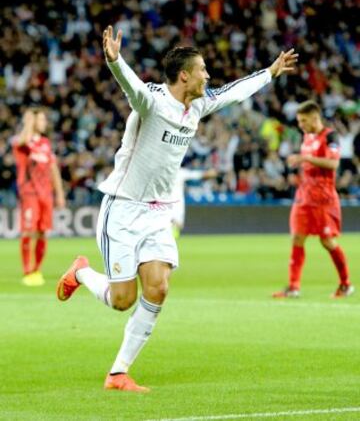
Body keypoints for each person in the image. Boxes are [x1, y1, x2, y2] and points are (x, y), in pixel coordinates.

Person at [56, 25, 298, 392]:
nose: (208, 76)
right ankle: (82, 273)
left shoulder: (198, 104)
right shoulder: (152, 101)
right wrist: (114, 60)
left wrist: (269, 72)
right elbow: (132, 87)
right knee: (123, 300)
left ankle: (118, 373)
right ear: (184, 75)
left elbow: (232, 93)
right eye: (202, 70)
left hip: (157, 213)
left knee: (158, 287)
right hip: (122, 209)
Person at [273, 100, 354, 299]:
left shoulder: (330, 136)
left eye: (303, 120)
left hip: (324, 199)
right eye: (299, 121)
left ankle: (345, 284)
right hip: (304, 197)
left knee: (327, 241)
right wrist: (298, 176)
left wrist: (305, 159)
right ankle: (293, 287)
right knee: (297, 238)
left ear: (315, 118)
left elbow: (333, 164)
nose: (300, 125)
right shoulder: (307, 137)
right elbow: (310, 168)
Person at [12, 108, 65, 286]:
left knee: (42, 232)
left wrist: (59, 194)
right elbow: (21, 142)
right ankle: (27, 271)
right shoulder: (23, 143)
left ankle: (36, 270)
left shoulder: (46, 143)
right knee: (28, 231)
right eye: (41, 120)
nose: (44, 123)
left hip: (45, 194)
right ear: (33, 122)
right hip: (29, 193)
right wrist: (28, 122)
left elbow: (53, 169)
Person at [171, 167, 217, 238]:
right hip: (174, 202)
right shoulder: (179, 172)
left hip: (172, 201)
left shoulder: (179, 172)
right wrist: (208, 173)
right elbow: (195, 175)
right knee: (175, 223)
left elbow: (194, 175)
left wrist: (207, 174)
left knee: (177, 224)